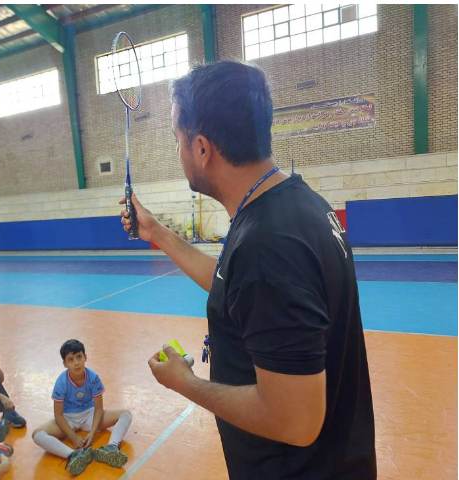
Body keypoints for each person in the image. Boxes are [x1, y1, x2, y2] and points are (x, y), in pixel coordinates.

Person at [121, 61, 376, 479]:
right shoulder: (296, 204)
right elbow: (237, 286)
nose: (179, 152)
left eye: (177, 140)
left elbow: (295, 421)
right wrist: (158, 233)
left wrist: (186, 383)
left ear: (202, 148)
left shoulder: (267, 246)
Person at [32, 339, 133, 476]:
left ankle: (111, 447)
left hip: (89, 415)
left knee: (126, 414)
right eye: (71, 359)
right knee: (37, 435)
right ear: (65, 364)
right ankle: (73, 455)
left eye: (79, 357)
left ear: (85, 357)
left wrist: (92, 432)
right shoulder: (61, 382)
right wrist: (73, 437)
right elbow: (58, 415)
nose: (76, 362)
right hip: (68, 419)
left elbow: (98, 409)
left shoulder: (93, 378)